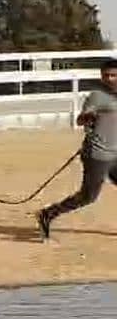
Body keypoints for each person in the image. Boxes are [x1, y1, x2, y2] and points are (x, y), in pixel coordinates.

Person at [36, 57, 117, 239]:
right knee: (88, 197)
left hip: (115, 154)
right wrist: (87, 117)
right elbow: (81, 119)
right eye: (106, 75)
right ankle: (47, 214)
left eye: (113, 75)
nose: (110, 79)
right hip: (97, 155)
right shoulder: (97, 96)